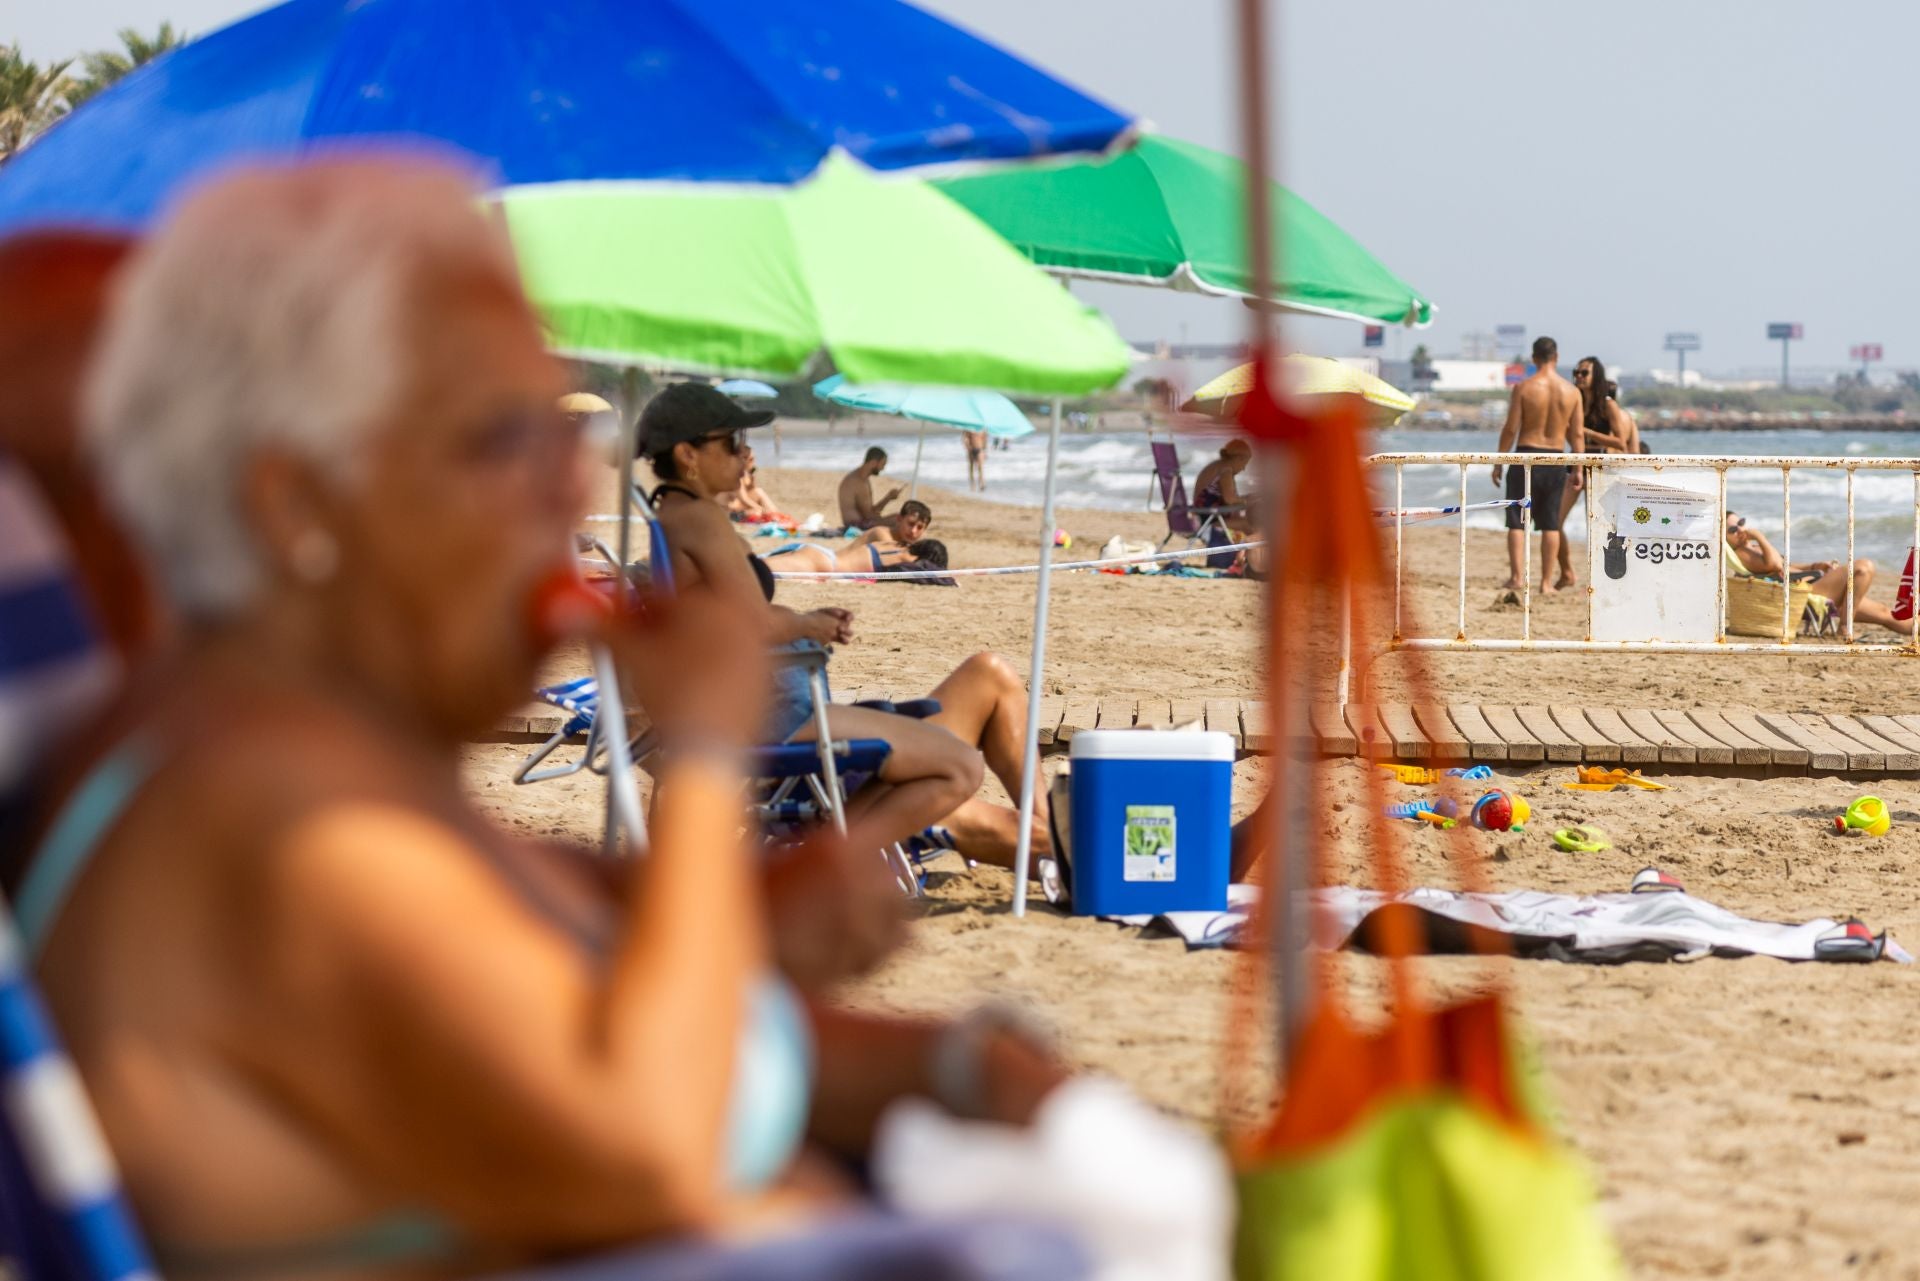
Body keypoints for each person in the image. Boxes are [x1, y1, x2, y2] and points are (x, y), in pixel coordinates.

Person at [6, 159, 1074, 1271]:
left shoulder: (336, 768)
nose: (568, 491)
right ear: (293, 506)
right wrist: (707, 755)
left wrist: (943, 1060)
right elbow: (651, 1138)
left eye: (563, 438)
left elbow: (603, 979)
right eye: (499, 440)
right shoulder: (271, 806)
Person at [644, 387, 1050, 871]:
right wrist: (808, 625)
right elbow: (748, 624)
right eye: (732, 441)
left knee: (992, 672)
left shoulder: (675, 519)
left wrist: (802, 622)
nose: (746, 451)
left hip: (789, 719)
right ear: (688, 454)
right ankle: (833, 867)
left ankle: (1050, 830)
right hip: (786, 727)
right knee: (966, 770)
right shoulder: (699, 521)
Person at [1492, 336, 1584, 595]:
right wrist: (1577, 468)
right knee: (1551, 523)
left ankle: (1517, 578)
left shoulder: (1524, 388)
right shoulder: (1572, 392)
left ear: (1533, 358)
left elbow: (1511, 429)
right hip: (1555, 459)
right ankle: (1545, 583)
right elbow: (1577, 436)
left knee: (1516, 520)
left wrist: (1499, 461)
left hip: (1525, 457)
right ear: (1556, 357)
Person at [1725, 511, 1914, 635]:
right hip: (1804, 593)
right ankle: (1844, 627)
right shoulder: (1742, 553)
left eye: (1741, 523)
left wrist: (1815, 565)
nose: (1741, 530)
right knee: (1863, 567)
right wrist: (1759, 536)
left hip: (1812, 585)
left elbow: (1784, 565)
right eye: (1733, 529)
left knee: (1886, 614)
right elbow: (1774, 564)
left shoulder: (1754, 549)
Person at [1553, 357, 1640, 587]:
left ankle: (1600, 579)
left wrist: (1586, 432)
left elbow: (1620, 441)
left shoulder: (1607, 404)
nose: (1579, 377)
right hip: (1575, 463)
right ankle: (1567, 571)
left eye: (1584, 373)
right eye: (1576, 372)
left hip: (1599, 465)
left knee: (1597, 525)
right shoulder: (1574, 400)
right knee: (1555, 521)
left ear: (1595, 376)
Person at [837, 446, 901, 529]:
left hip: (861, 522)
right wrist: (884, 518)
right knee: (898, 519)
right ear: (874, 462)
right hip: (856, 525)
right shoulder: (858, 481)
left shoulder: (862, 478)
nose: (883, 468)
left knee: (899, 518)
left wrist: (889, 498)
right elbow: (869, 516)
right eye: (883, 464)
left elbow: (870, 512)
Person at [722, 443, 786, 522]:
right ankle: (775, 515)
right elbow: (744, 499)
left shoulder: (744, 473)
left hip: (738, 507)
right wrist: (760, 509)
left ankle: (776, 514)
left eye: (753, 459)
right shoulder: (735, 474)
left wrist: (751, 479)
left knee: (758, 492)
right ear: (742, 459)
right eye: (751, 459)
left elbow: (753, 492)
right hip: (729, 512)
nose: (753, 463)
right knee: (757, 512)